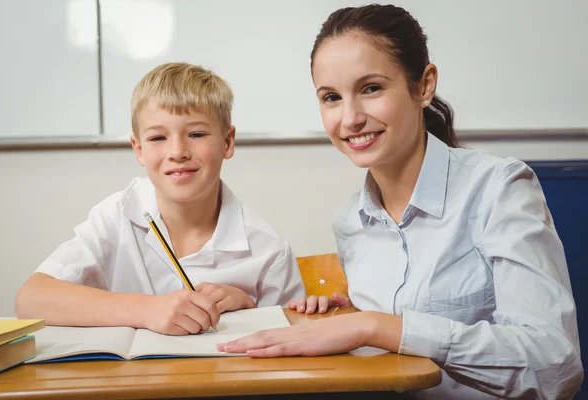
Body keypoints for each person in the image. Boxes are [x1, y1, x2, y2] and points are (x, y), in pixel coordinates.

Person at [217, 4, 583, 398]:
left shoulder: (499, 189)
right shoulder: (350, 222)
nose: (350, 118)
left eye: (371, 88)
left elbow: (554, 366)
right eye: (331, 97)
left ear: (424, 85)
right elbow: (385, 361)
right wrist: (345, 317)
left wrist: (377, 326)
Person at [15, 62, 305, 336]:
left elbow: (292, 341)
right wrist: (147, 310)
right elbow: (30, 299)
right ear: (138, 149)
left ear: (228, 142)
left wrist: (248, 309)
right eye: (157, 138)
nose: (177, 151)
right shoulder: (116, 216)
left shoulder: (268, 251)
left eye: (196, 133)